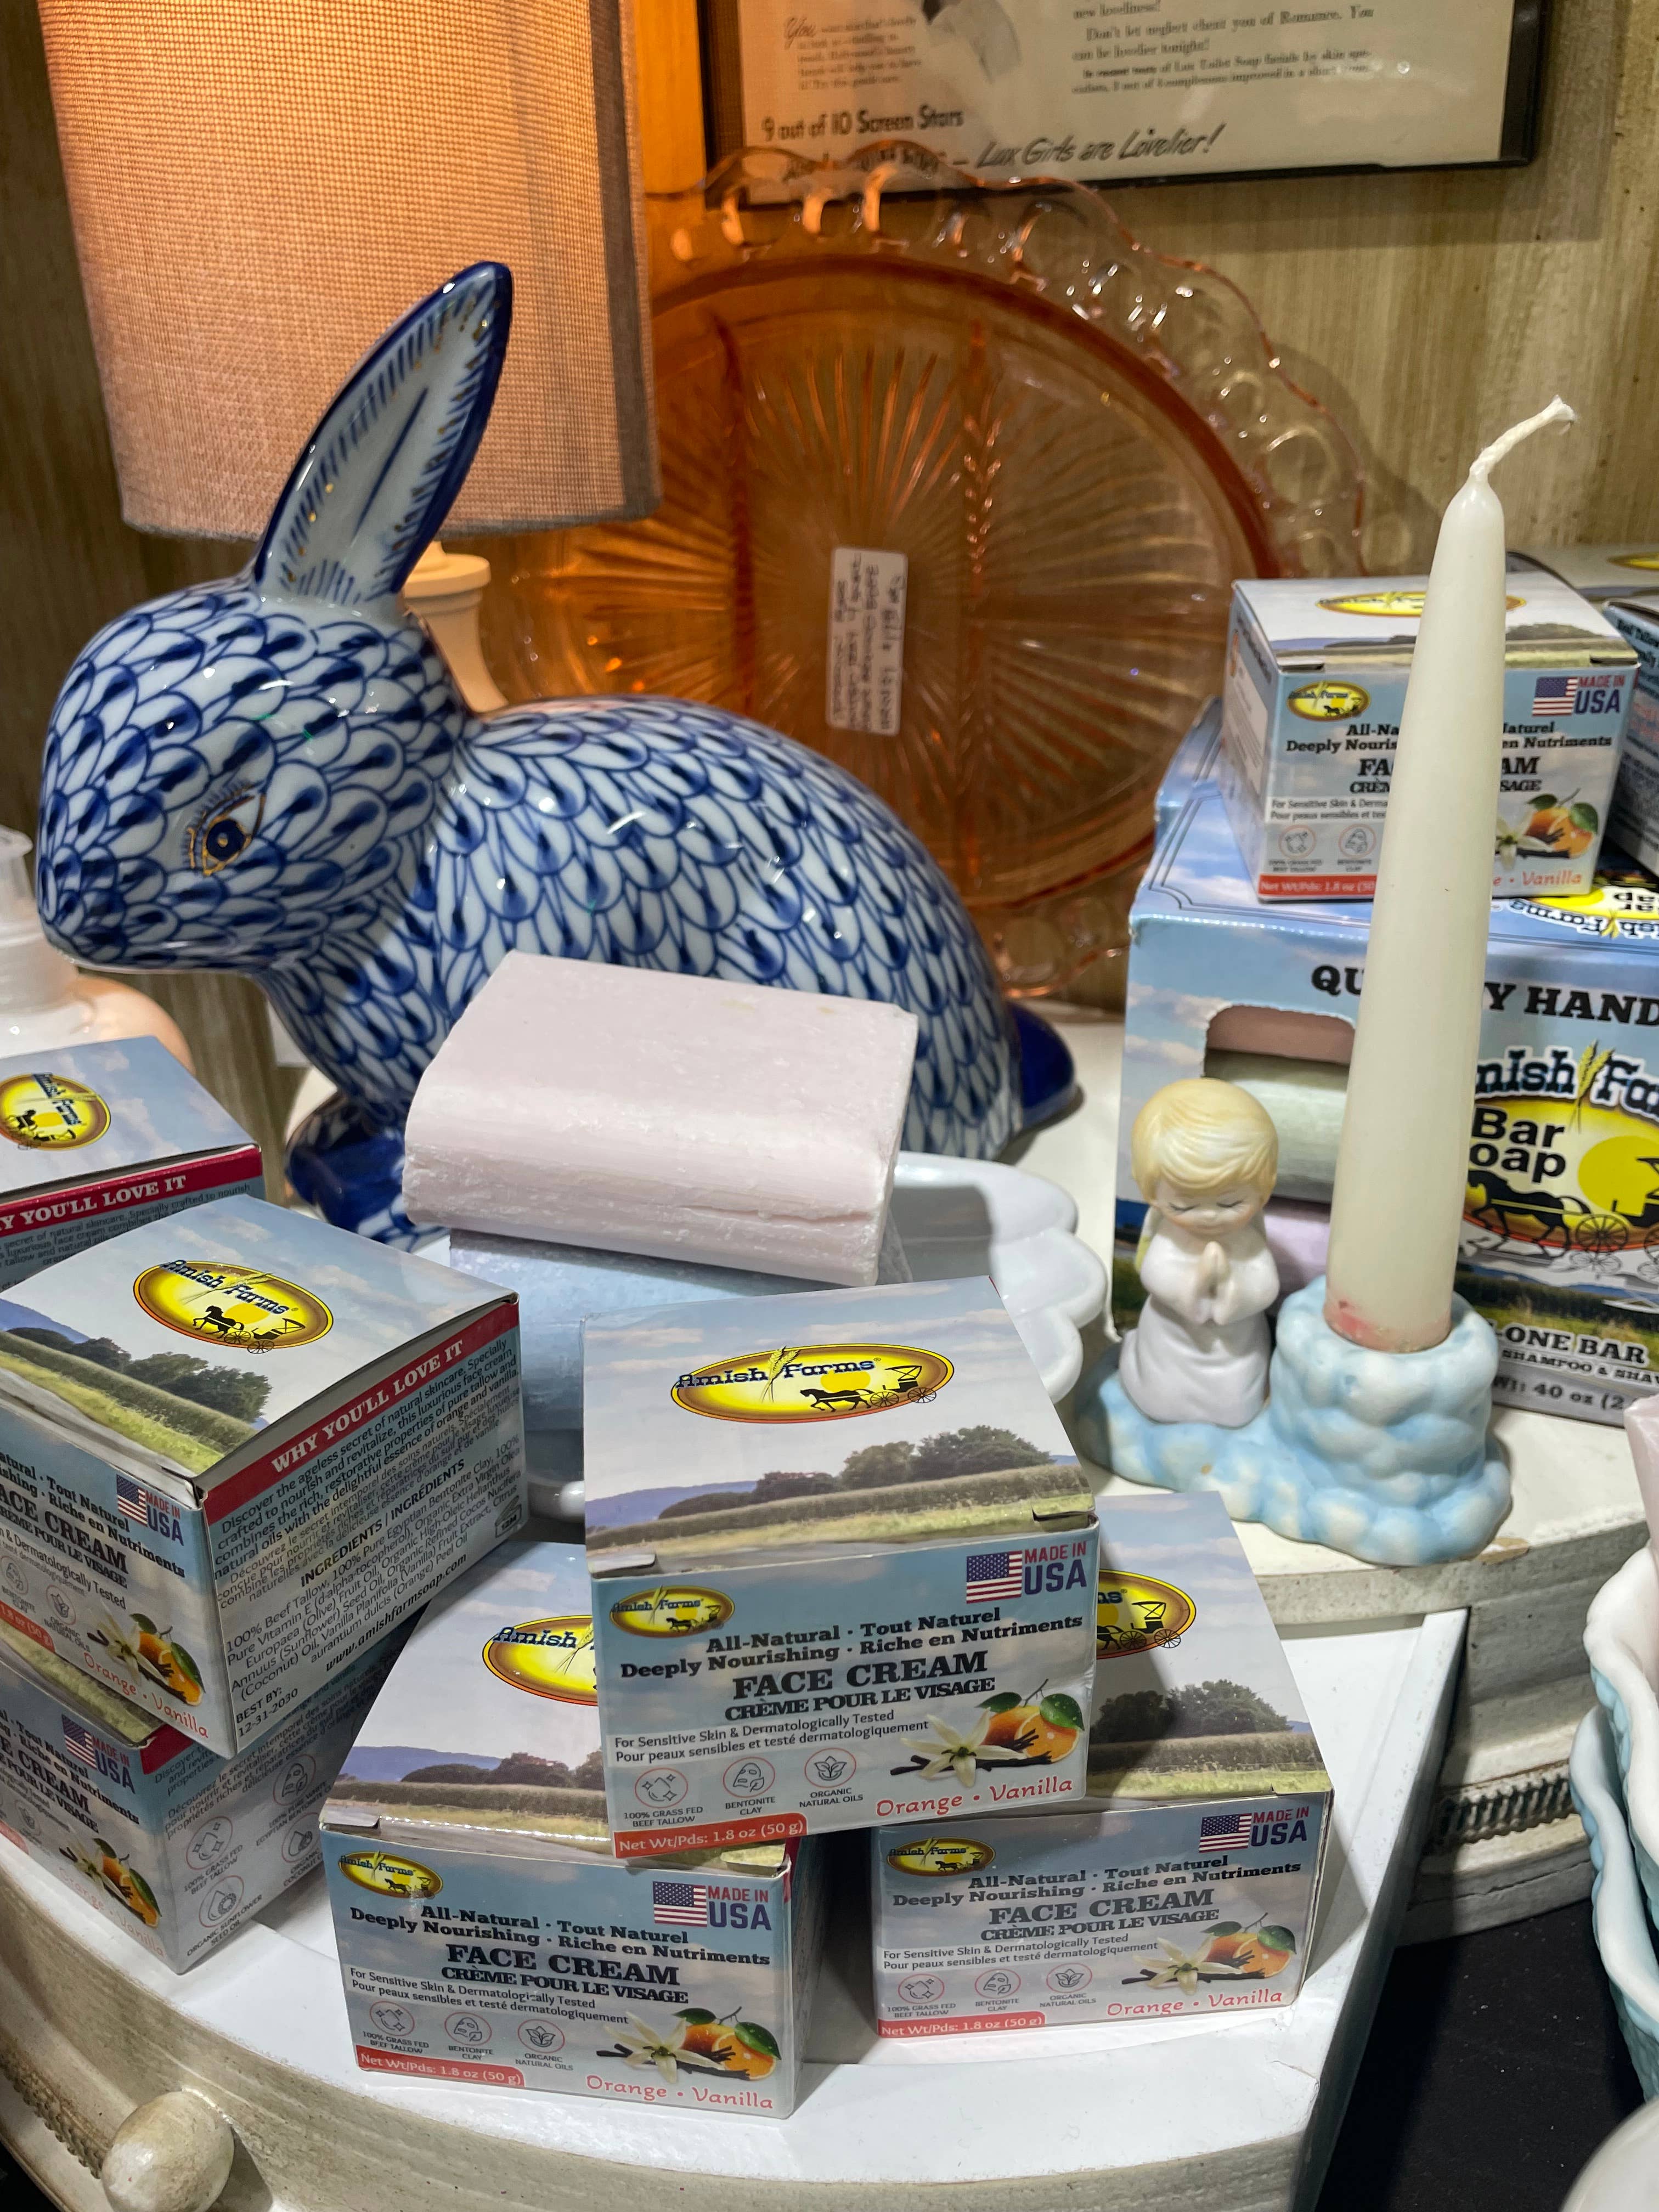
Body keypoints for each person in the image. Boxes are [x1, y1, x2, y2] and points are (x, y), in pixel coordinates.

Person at [1118, 1079, 1280, 1429]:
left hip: (1234, 1346)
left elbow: (1264, 1284)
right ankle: (1155, 1396)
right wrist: (1196, 1284)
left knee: (1236, 1404)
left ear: (1264, 1190)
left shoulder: (1247, 1241)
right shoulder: (1169, 1237)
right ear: (1152, 1195)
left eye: (1231, 1203)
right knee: (1162, 1396)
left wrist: (1230, 1289)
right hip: (1172, 1338)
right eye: (1183, 1206)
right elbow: (1155, 1272)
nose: (1209, 1217)